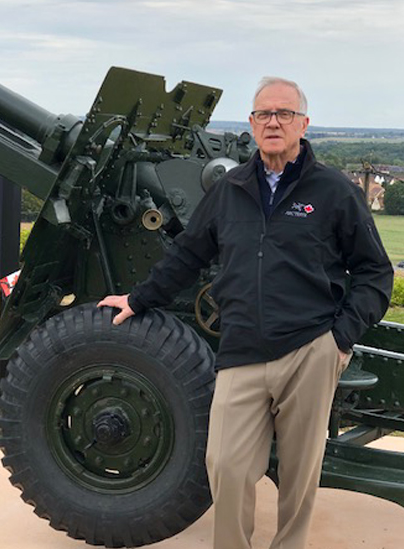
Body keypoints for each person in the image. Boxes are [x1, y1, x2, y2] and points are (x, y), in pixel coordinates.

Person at [98, 76, 394, 549]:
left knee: (299, 474)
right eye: (263, 114)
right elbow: (186, 255)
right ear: (252, 125)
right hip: (241, 350)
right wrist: (138, 299)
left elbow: (376, 272)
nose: (273, 122)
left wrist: (340, 338)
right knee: (226, 465)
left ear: (303, 124)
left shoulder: (334, 191)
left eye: (284, 114)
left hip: (309, 349)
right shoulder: (230, 189)